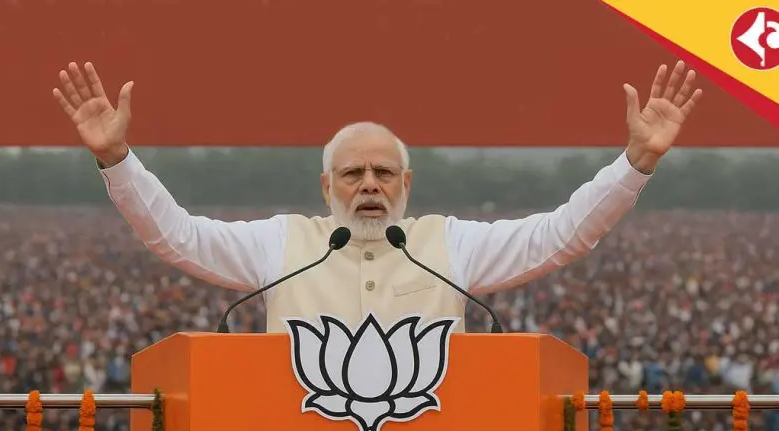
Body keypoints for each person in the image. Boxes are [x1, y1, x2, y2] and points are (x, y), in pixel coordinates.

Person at [52, 61, 702, 333]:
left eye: (384, 174)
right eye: (354, 173)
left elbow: (563, 234)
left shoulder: (449, 244)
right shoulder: (283, 244)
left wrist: (636, 163)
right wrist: (115, 158)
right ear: (325, 186)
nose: (369, 185)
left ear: (407, 185)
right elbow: (178, 236)